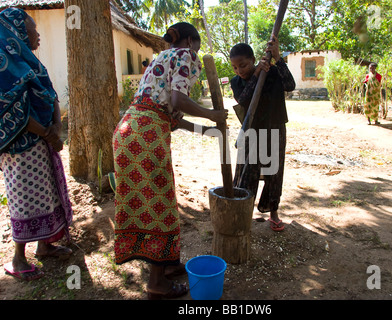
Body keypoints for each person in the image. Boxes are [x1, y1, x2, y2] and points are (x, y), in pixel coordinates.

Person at [112, 22, 228, 300]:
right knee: (159, 205)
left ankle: (167, 263)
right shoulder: (185, 55)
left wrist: (207, 130)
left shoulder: (160, 60)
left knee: (148, 202)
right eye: (197, 49)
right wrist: (212, 115)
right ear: (190, 41)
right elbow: (180, 99)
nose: (196, 58)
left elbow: (172, 113)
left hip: (128, 132)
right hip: (146, 137)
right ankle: (156, 283)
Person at [0, 8, 73, 281]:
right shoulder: (3, 68)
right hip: (21, 149)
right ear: (16, 35)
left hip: (43, 142)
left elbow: (51, 93)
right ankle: (18, 258)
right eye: (32, 31)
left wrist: (56, 126)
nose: (37, 35)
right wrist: (47, 133)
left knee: (48, 194)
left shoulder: (30, 62)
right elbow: (11, 107)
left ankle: (45, 245)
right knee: (24, 199)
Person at [229, 37, 295, 232]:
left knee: (274, 172)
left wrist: (277, 58)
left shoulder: (273, 72)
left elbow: (290, 85)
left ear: (253, 59)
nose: (239, 71)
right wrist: (256, 73)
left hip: (275, 129)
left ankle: (273, 211)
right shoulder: (237, 82)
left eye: (243, 65)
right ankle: (243, 212)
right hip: (252, 131)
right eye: (235, 67)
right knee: (247, 172)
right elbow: (243, 99)